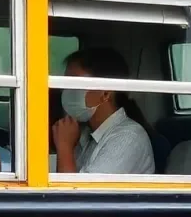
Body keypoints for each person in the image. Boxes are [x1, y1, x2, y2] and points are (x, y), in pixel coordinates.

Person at [52, 47, 155, 175]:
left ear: (105, 93)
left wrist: (64, 147)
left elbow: (79, 193)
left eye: (74, 84)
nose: (66, 92)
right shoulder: (85, 133)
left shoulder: (128, 138)